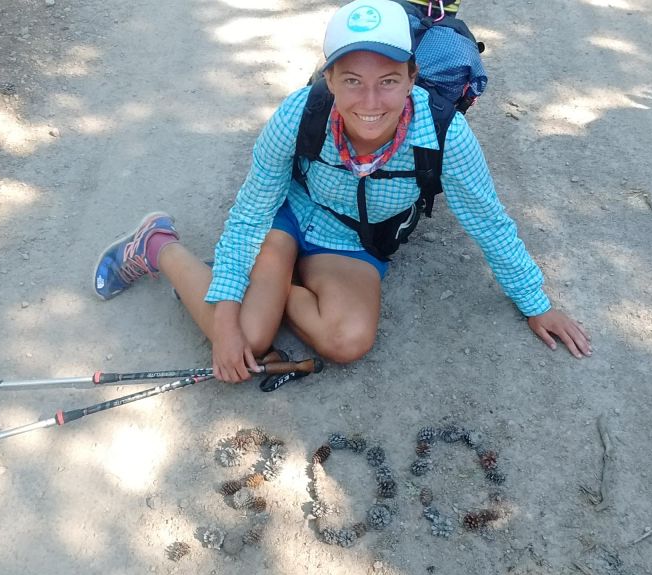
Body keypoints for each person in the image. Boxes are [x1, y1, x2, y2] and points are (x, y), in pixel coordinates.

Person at [93, 0, 591, 386]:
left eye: (388, 81)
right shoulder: (297, 113)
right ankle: (157, 245)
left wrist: (536, 302)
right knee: (246, 337)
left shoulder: (445, 133)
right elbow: (250, 213)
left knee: (348, 340)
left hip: (353, 241)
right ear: (328, 77)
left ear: (413, 78)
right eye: (351, 80)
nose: (370, 101)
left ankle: (262, 285)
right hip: (289, 216)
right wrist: (224, 321)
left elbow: (487, 219)